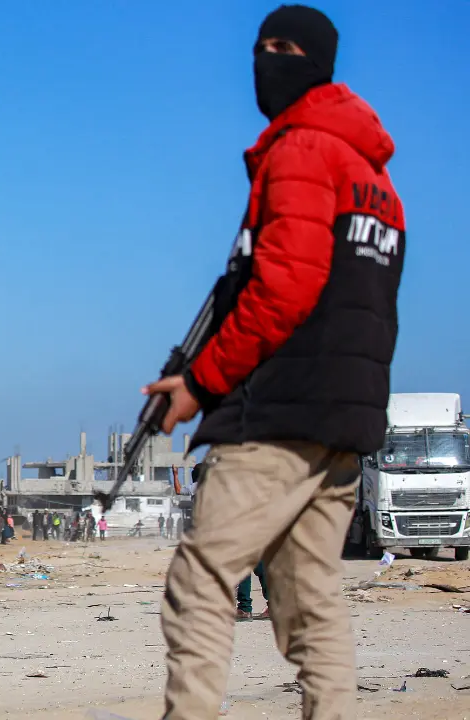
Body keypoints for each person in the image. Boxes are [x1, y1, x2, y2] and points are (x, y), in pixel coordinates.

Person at [145, 6, 404, 718]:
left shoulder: (301, 151)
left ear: (317, 60)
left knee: (201, 579)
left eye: (283, 46)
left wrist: (201, 381)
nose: (265, 59)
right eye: (260, 46)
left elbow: (284, 291)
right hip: (346, 418)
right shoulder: (378, 184)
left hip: (282, 410)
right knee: (308, 599)